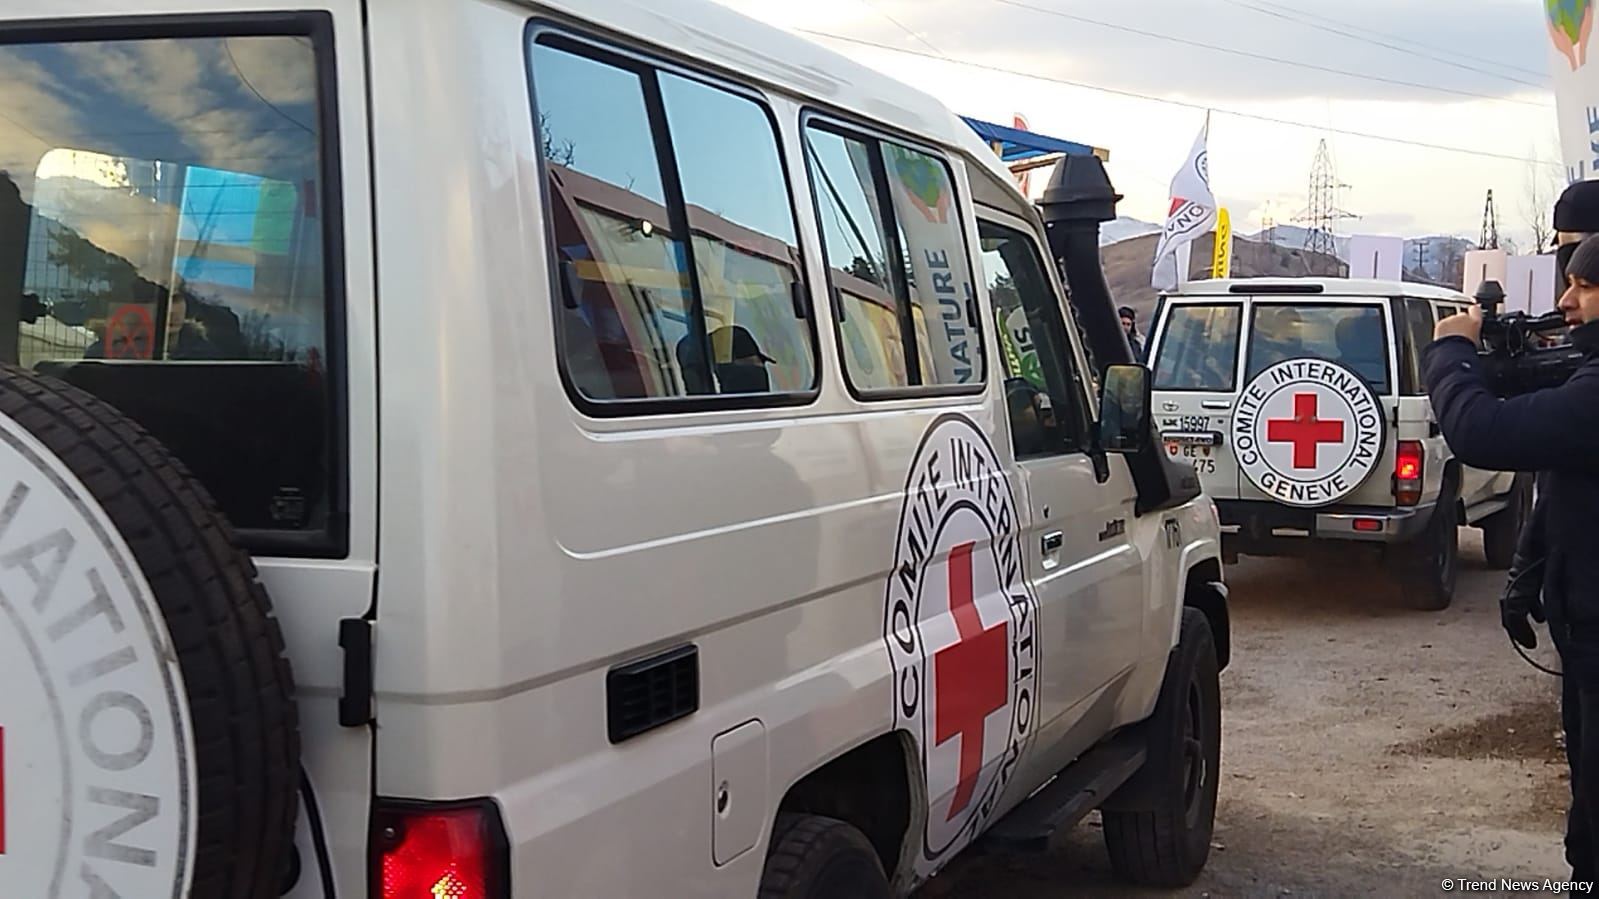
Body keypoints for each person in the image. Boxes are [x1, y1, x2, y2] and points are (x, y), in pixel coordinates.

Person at [1424, 233, 1599, 884]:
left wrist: (1450, 353)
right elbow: (1564, 481)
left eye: (1584, 286)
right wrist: (1527, 573)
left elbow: (1482, 432)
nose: (1566, 300)